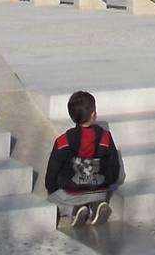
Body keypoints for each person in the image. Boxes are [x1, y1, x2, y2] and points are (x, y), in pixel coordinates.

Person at [44, 90, 124, 226]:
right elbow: (113, 166)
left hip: (72, 193)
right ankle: (96, 205)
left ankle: (74, 210)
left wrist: (51, 188)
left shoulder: (63, 141)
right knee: (96, 192)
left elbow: (52, 170)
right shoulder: (105, 137)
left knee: (52, 198)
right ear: (93, 114)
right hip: (99, 190)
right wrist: (107, 183)